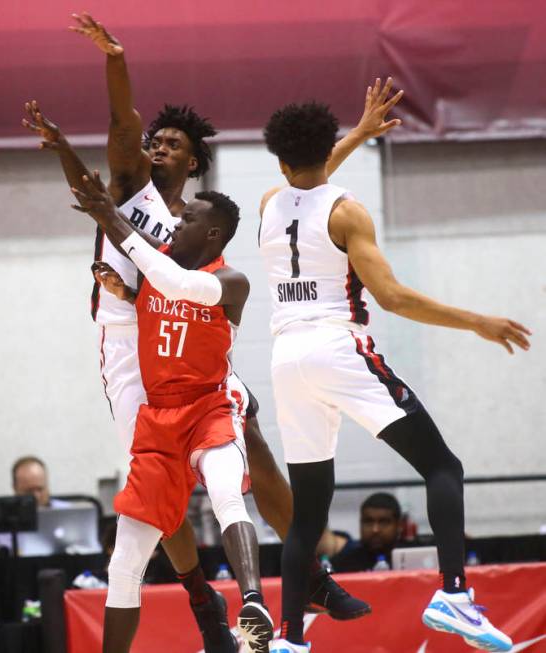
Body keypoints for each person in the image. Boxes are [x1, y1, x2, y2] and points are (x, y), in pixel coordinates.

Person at [20, 15, 398, 647]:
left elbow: (302, 181)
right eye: (153, 141)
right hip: (129, 348)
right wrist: (116, 60)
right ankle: (201, 598)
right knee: (159, 478)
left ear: (194, 161)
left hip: (193, 334)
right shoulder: (128, 187)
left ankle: (307, 572)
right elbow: (120, 125)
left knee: (248, 436)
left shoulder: (202, 220)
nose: (155, 148)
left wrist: (357, 134)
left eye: (169, 143)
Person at [256, 102, 531, 653]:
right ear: (324, 149)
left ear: (281, 160)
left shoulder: (268, 203)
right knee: (441, 465)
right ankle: (453, 596)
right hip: (337, 345)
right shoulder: (347, 213)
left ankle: (289, 640)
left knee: (308, 508)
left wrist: (357, 133)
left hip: (285, 358)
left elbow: (307, 174)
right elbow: (392, 296)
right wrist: (475, 320)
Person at [73, 171, 273, 652]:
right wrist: (104, 213)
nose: (175, 224)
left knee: (227, 495)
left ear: (213, 234)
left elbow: (176, 284)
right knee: (124, 563)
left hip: (208, 407)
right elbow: (144, 265)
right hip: (159, 421)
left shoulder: (230, 282)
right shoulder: (155, 270)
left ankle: (253, 603)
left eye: (187, 219)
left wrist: (108, 215)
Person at [328, 493, 402, 572]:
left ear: (399, 525)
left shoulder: (411, 559)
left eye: (383, 522)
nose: (375, 529)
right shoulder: (341, 565)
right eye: (368, 522)